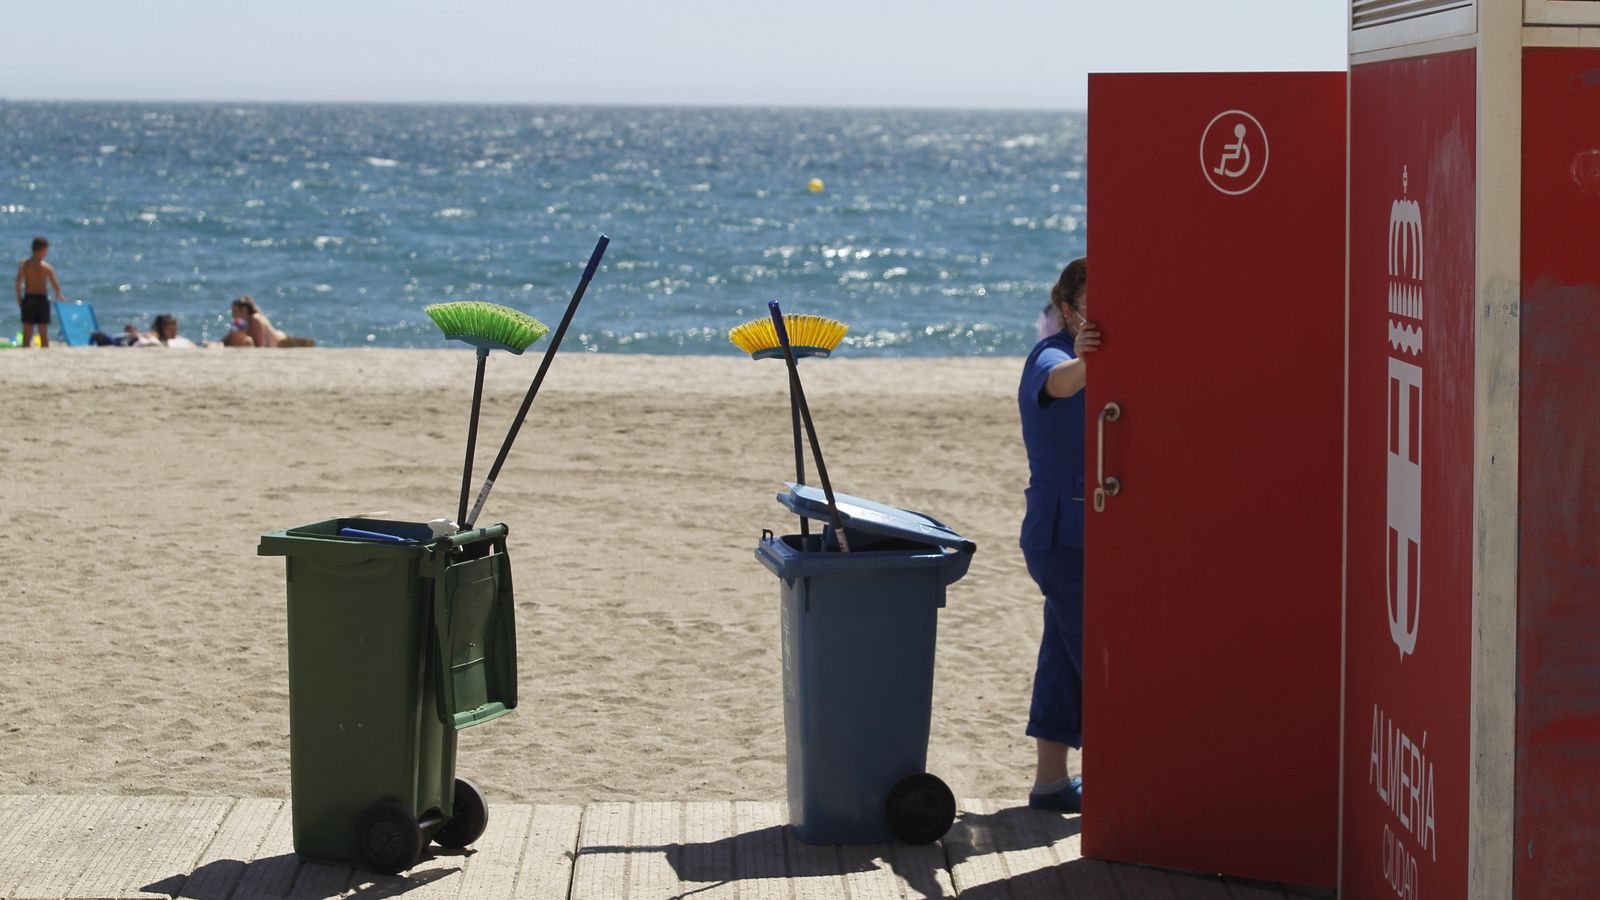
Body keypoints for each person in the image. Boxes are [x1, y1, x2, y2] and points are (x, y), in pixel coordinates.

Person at [1017, 257, 1100, 812]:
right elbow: (1059, 382)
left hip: (1084, 535)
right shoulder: (1051, 354)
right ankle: (1122, 782)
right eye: (1095, 302)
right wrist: (1087, 361)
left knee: (1062, 661)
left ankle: (1050, 783)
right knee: (1099, 660)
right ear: (1069, 310)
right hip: (1063, 539)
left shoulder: (1112, 353)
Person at [14, 236, 67, 348]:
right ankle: (44, 350)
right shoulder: (46, 267)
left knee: (27, 333)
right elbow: (55, 284)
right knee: (43, 333)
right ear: (43, 250)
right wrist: (58, 294)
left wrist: (19, 296)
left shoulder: (25, 265)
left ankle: (26, 350)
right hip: (41, 299)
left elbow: (18, 282)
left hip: (28, 298)